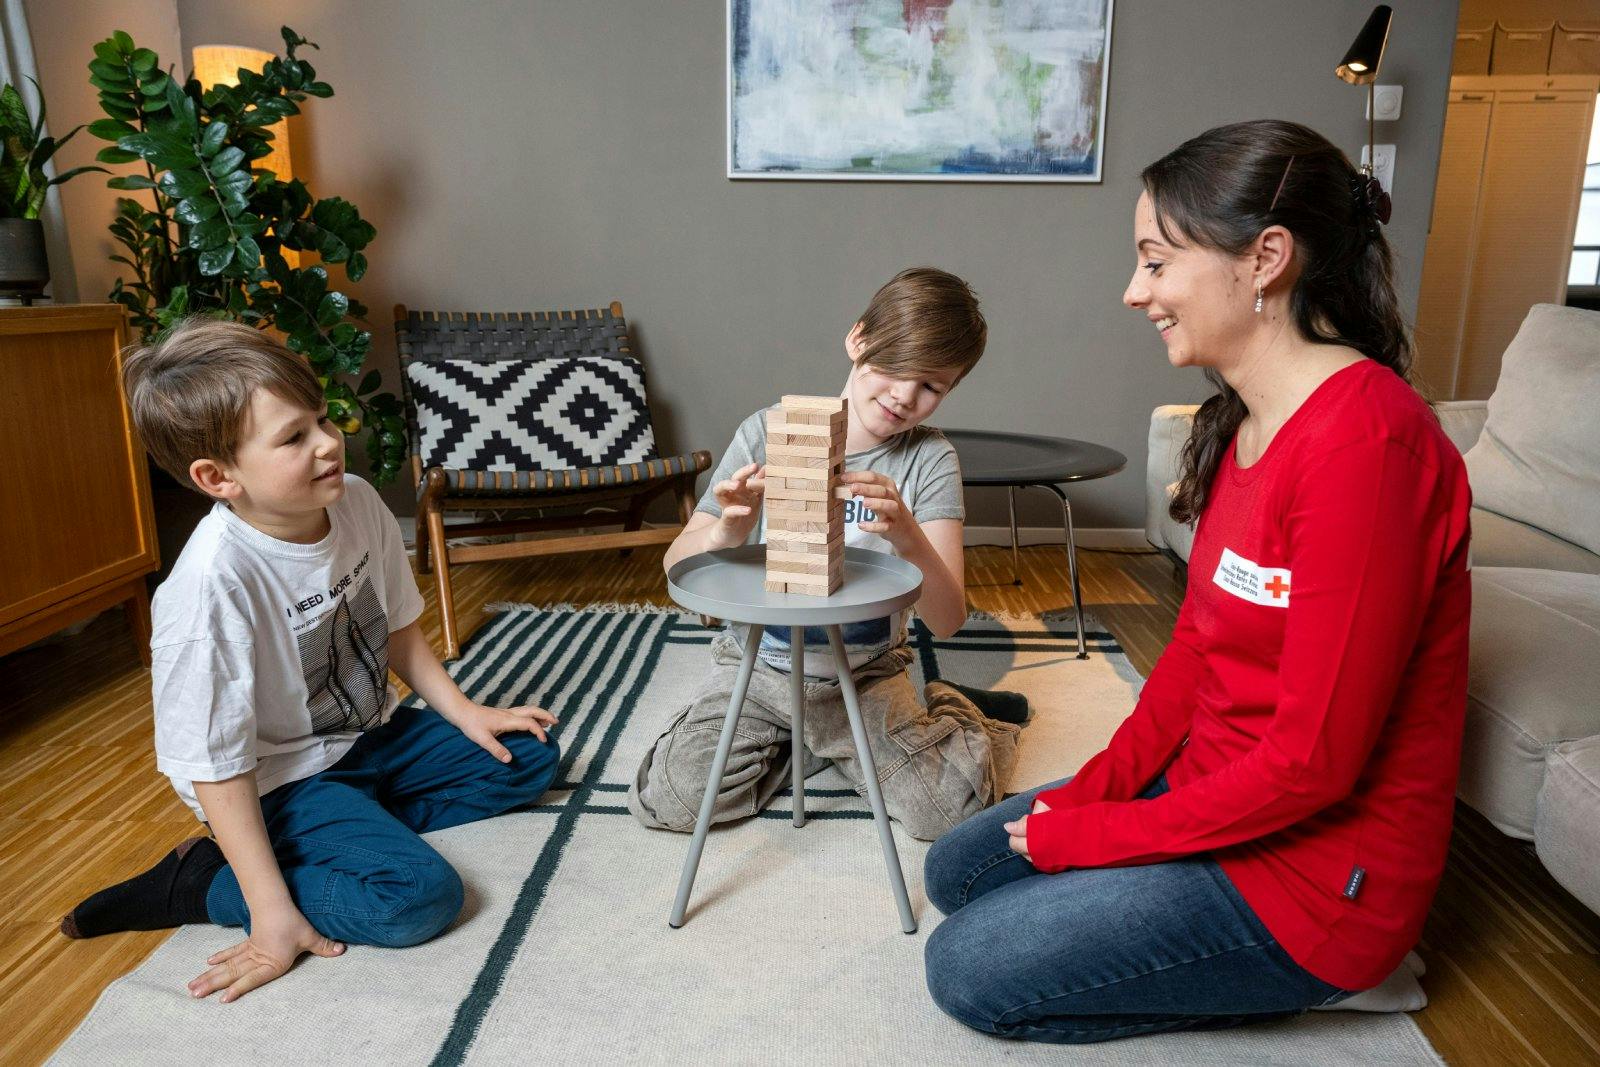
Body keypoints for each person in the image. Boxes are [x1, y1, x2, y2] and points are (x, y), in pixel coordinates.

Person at [922, 120, 1473, 1043]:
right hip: (1219, 792)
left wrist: (1098, 839)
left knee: (968, 971)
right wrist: (1098, 790)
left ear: (1265, 259)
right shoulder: (1245, 420)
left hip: (1314, 876)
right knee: (960, 873)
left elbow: (1314, 763)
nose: (1135, 292)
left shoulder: (1366, 446)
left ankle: (1340, 980)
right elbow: (1196, 654)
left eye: (1156, 262)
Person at [61, 319, 561, 1004]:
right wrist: (270, 914)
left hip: (368, 738)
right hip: (280, 781)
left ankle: (353, 822)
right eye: (294, 437)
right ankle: (206, 880)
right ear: (218, 477)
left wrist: (469, 713)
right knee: (417, 898)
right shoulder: (209, 589)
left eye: (322, 419)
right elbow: (215, 766)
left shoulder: (354, 502)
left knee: (530, 753)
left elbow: (402, 631)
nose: (329, 442)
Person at [628, 267, 1029, 841]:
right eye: (895, 368)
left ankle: (966, 719)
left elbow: (948, 620)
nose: (905, 397)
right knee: (672, 800)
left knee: (946, 813)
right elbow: (676, 567)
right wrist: (725, 532)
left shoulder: (930, 460)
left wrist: (907, 534)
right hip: (757, 666)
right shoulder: (768, 432)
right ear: (858, 339)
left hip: (866, 674)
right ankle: (822, 747)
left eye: (932, 387)